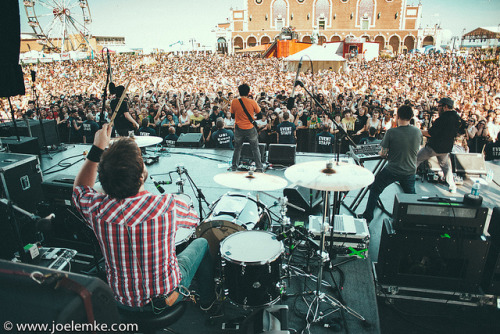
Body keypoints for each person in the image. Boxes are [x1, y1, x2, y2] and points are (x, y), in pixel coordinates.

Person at [72, 124, 216, 312]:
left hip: (120, 300)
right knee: (202, 244)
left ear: (103, 180)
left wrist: (97, 148)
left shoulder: (96, 209)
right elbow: (194, 221)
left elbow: (79, 189)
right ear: (142, 175)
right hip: (167, 297)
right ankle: (208, 302)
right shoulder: (168, 205)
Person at [361, 105, 422, 223]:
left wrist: (384, 151)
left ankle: (367, 218)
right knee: (411, 197)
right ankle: (411, 222)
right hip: (410, 171)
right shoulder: (417, 132)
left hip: (393, 170)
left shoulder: (391, 132)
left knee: (374, 189)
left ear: (398, 116)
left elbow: (383, 154)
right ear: (411, 117)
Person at [416, 97, 463, 193]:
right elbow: (462, 131)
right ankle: (452, 186)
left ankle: (406, 179)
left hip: (433, 148)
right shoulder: (457, 118)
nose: (438, 108)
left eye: (439, 106)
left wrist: (418, 131)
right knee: (446, 168)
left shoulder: (441, 119)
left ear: (445, 107)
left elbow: (430, 133)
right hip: (446, 148)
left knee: (416, 160)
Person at [230, 83, 263, 172]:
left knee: (237, 148)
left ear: (239, 92)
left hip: (238, 128)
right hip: (250, 128)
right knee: (255, 148)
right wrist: (253, 118)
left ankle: (234, 167)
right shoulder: (253, 102)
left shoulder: (234, 102)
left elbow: (232, 116)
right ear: (248, 92)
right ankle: (259, 167)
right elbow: (260, 115)